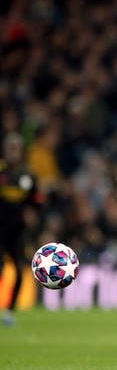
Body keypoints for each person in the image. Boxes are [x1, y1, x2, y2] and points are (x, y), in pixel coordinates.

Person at [0, 133, 43, 326]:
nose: (13, 153)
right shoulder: (1, 170)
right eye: (10, 148)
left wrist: (32, 214)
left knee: (17, 268)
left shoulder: (28, 174)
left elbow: (36, 201)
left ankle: (9, 311)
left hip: (17, 230)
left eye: (16, 148)